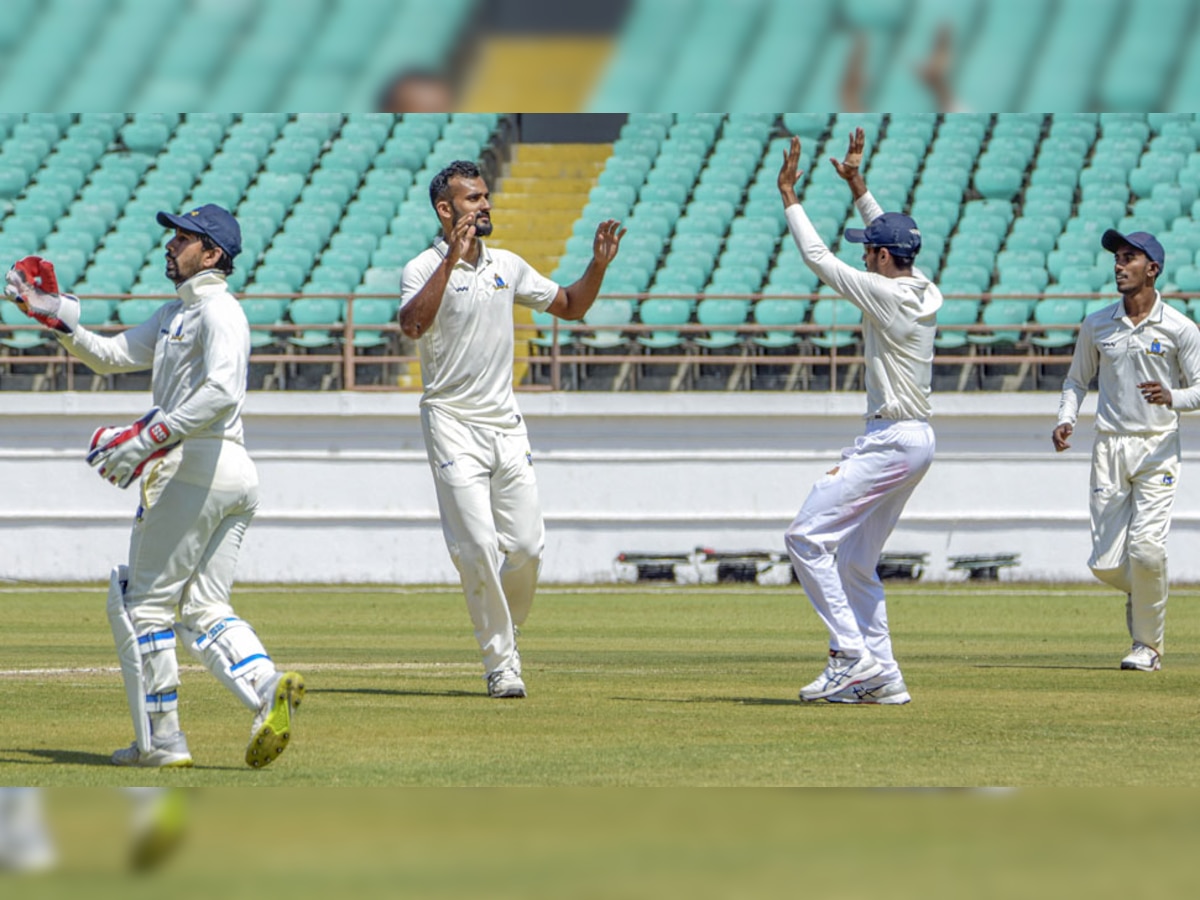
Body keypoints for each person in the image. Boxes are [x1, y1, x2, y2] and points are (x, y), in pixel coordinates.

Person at [4, 204, 304, 767]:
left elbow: (220, 394)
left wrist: (149, 436)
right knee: (205, 607)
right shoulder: (177, 312)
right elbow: (115, 357)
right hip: (228, 473)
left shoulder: (221, 313)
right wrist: (60, 321)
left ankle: (162, 742)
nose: (171, 245)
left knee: (141, 605)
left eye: (185, 238)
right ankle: (267, 687)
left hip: (196, 467)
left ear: (212, 254)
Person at [400, 160, 624, 698]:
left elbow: (570, 306)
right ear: (445, 209)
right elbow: (411, 325)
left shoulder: (508, 265)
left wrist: (597, 267)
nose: (485, 206)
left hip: (506, 424)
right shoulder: (420, 267)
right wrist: (451, 260)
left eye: (485, 197)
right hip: (451, 422)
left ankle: (506, 627)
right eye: (473, 199)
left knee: (527, 546)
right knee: (476, 544)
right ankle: (501, 662)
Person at [777, 128, 942, 705]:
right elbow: (891, 239)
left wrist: (789, 197)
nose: (861, 256)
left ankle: (850, 656)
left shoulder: (884, 293)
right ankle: (885, 677)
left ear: (878, 259)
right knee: (854, 561)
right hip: (913, 437)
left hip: (892, 438)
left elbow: (817, 258)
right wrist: (858, 187)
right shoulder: (921, 285)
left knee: (805, 538)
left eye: (866, 250)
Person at [1052, 230, 1200, 672]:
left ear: (1152, 269)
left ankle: (1148, 647)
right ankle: (1144, 589)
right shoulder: (1098, 323)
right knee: (1106, 563)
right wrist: (1065, 417)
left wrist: (1171, 397)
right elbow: (1077, 380)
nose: (1119, 266)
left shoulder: (1180, 328)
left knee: (1148, 552)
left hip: (1157, 449)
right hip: (1109, 447)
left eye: (1129, 258)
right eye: (1117, 258)